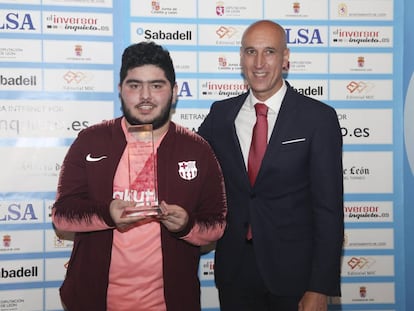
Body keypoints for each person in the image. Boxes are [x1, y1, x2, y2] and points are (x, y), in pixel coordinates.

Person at [52, 41, 227, 311]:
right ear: (120, 89)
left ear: (175, 91)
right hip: (93, 301)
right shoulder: (91, 141)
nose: (145, 95)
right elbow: (62, 215)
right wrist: (107, 213)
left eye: (157, 85)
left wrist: (186, 226)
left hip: (170, 303)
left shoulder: (197, 148)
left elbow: (217, 224)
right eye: (134, 85)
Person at [198, 20, 344, 311]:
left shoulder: (318, 119)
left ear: (286, 58)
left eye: (270, 52)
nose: (259, 63)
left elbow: (329, 210)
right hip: (235, 273)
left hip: (296, 277)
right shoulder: (220, 114)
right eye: (251, 51)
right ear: (241, 58)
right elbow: (190, 164)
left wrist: (319, 286)